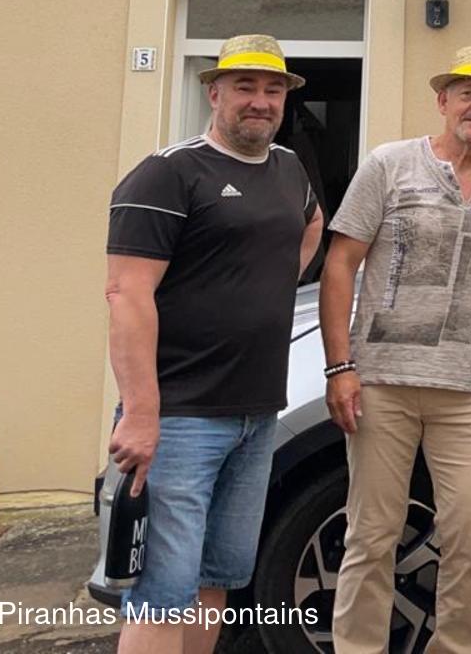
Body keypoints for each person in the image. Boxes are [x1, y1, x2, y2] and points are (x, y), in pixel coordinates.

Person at [105, 34, 324, 654]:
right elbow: (125, 294)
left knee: (215, 581)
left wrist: (268, 285)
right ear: (214, 93)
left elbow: (311, 224)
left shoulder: (288, 168)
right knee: (160, 592)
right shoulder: (169, 173)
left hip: (257, 413)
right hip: (179, 418)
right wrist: (140, 413)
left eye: (273, 89)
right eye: (245, 87)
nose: (261, 101)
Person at [322, 45, 471, 654]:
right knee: (372, 534)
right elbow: (340, 264)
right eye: (466, 93)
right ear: (442, 101)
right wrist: (340, 367)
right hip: (382, 383)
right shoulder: (389, 164)